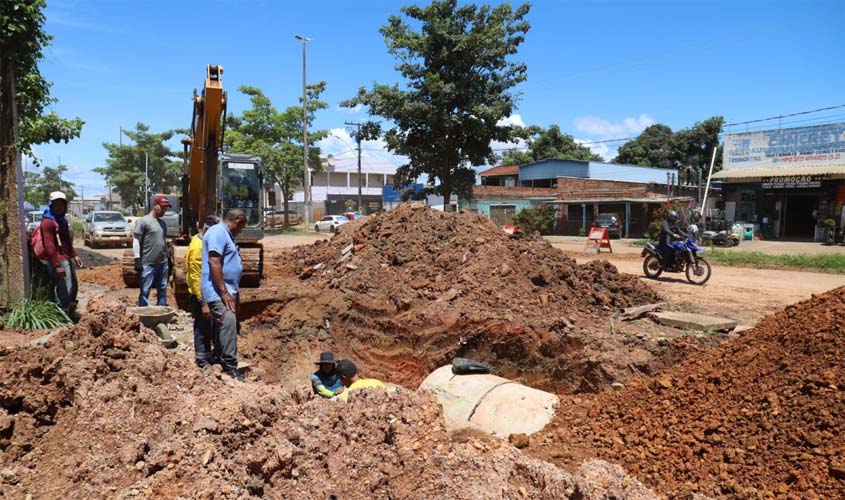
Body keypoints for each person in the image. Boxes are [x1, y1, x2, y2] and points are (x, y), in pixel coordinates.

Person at [201, 208, 246, 381]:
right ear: (237, 221)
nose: (241, 230)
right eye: (242, 226)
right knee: (228, 321)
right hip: (217, 291)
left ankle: (218, 355)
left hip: (227, 290)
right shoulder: (218, 232)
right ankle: (230, 366)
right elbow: (214, 261)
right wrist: (224, 292)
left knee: (225, 323)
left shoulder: (226, 234)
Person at [40, 191, 84, 312]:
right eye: (56, 204)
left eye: (62, 204)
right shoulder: (48, 222)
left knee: (73, 286)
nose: (59, 207)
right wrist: (57, 265)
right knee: (64, 288)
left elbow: (66, 241)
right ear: (51, 205)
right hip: (57, 259)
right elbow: (49, 245)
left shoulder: (62, 220)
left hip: (66, 258)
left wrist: (74, 255)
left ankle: (69, 310)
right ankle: (61, 313)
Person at [186, 215, 220, 367]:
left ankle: (208, 355)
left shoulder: (201, 242)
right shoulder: (198, 247)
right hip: (201, 295)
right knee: (202, 327)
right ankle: (202, 360)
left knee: (208, 326)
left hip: (207, 293)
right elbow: (195, 276)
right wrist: (203, 301)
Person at [134, 195, 170, 306]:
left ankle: (161, 312)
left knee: (163, 288)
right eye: (162, 207)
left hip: (162, 263)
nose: (164, 210)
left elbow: (163, 241)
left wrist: (168, 258)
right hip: (148, 263)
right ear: (155, 206)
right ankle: (143, 313)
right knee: (145, 290)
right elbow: (136, 240)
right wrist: (137, 259)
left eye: (166, 208)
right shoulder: (143, 221)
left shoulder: (162, 223)